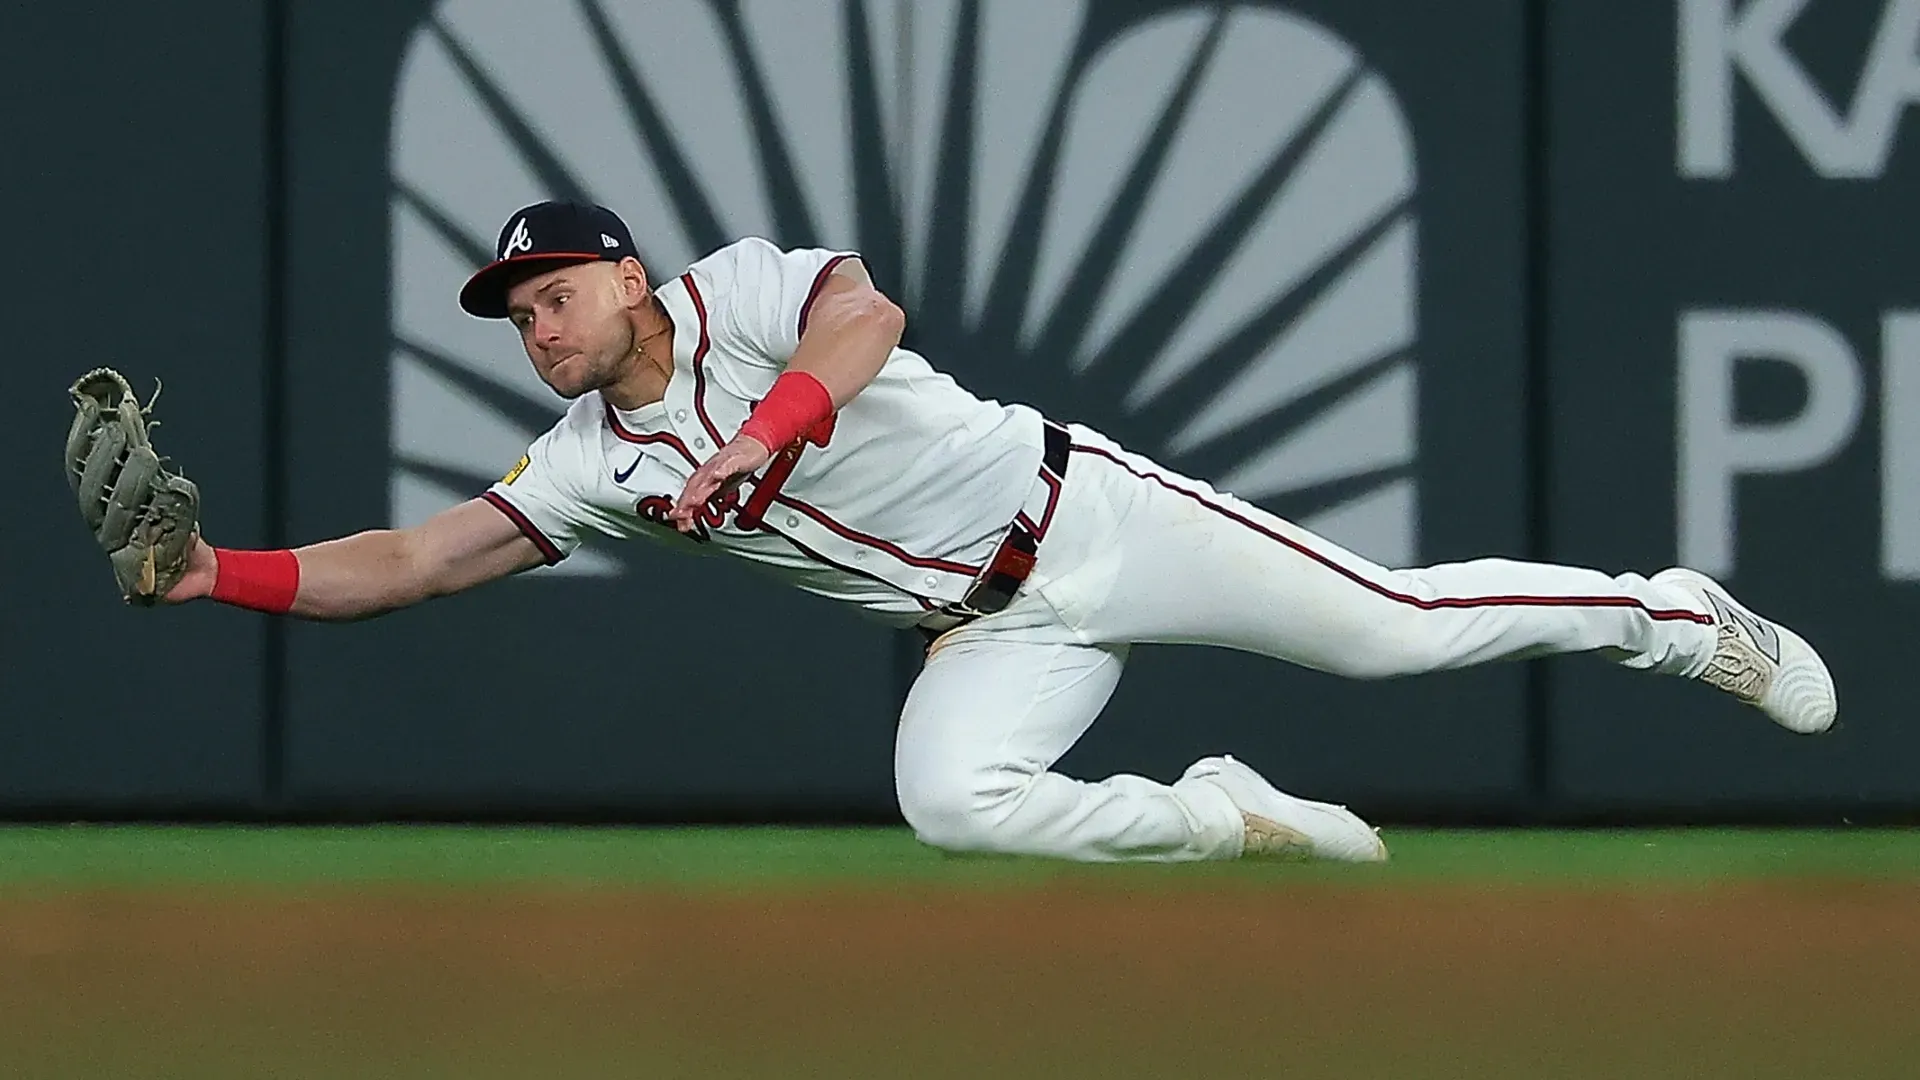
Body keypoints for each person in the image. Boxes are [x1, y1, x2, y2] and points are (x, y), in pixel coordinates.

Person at [162, 201, 1837, 863]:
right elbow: (413, 563)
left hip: (1087, 515)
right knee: (949, 803)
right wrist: (204, 571)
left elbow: (863, 326)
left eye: (551, 289)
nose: (535, 324)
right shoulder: (588, 457)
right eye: (512, 313)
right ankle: (1220, 820)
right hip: (989, 630)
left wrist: (759, 439)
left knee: (1397, 629)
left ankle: (1672, 617)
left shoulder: (733, 291)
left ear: (620, 272)